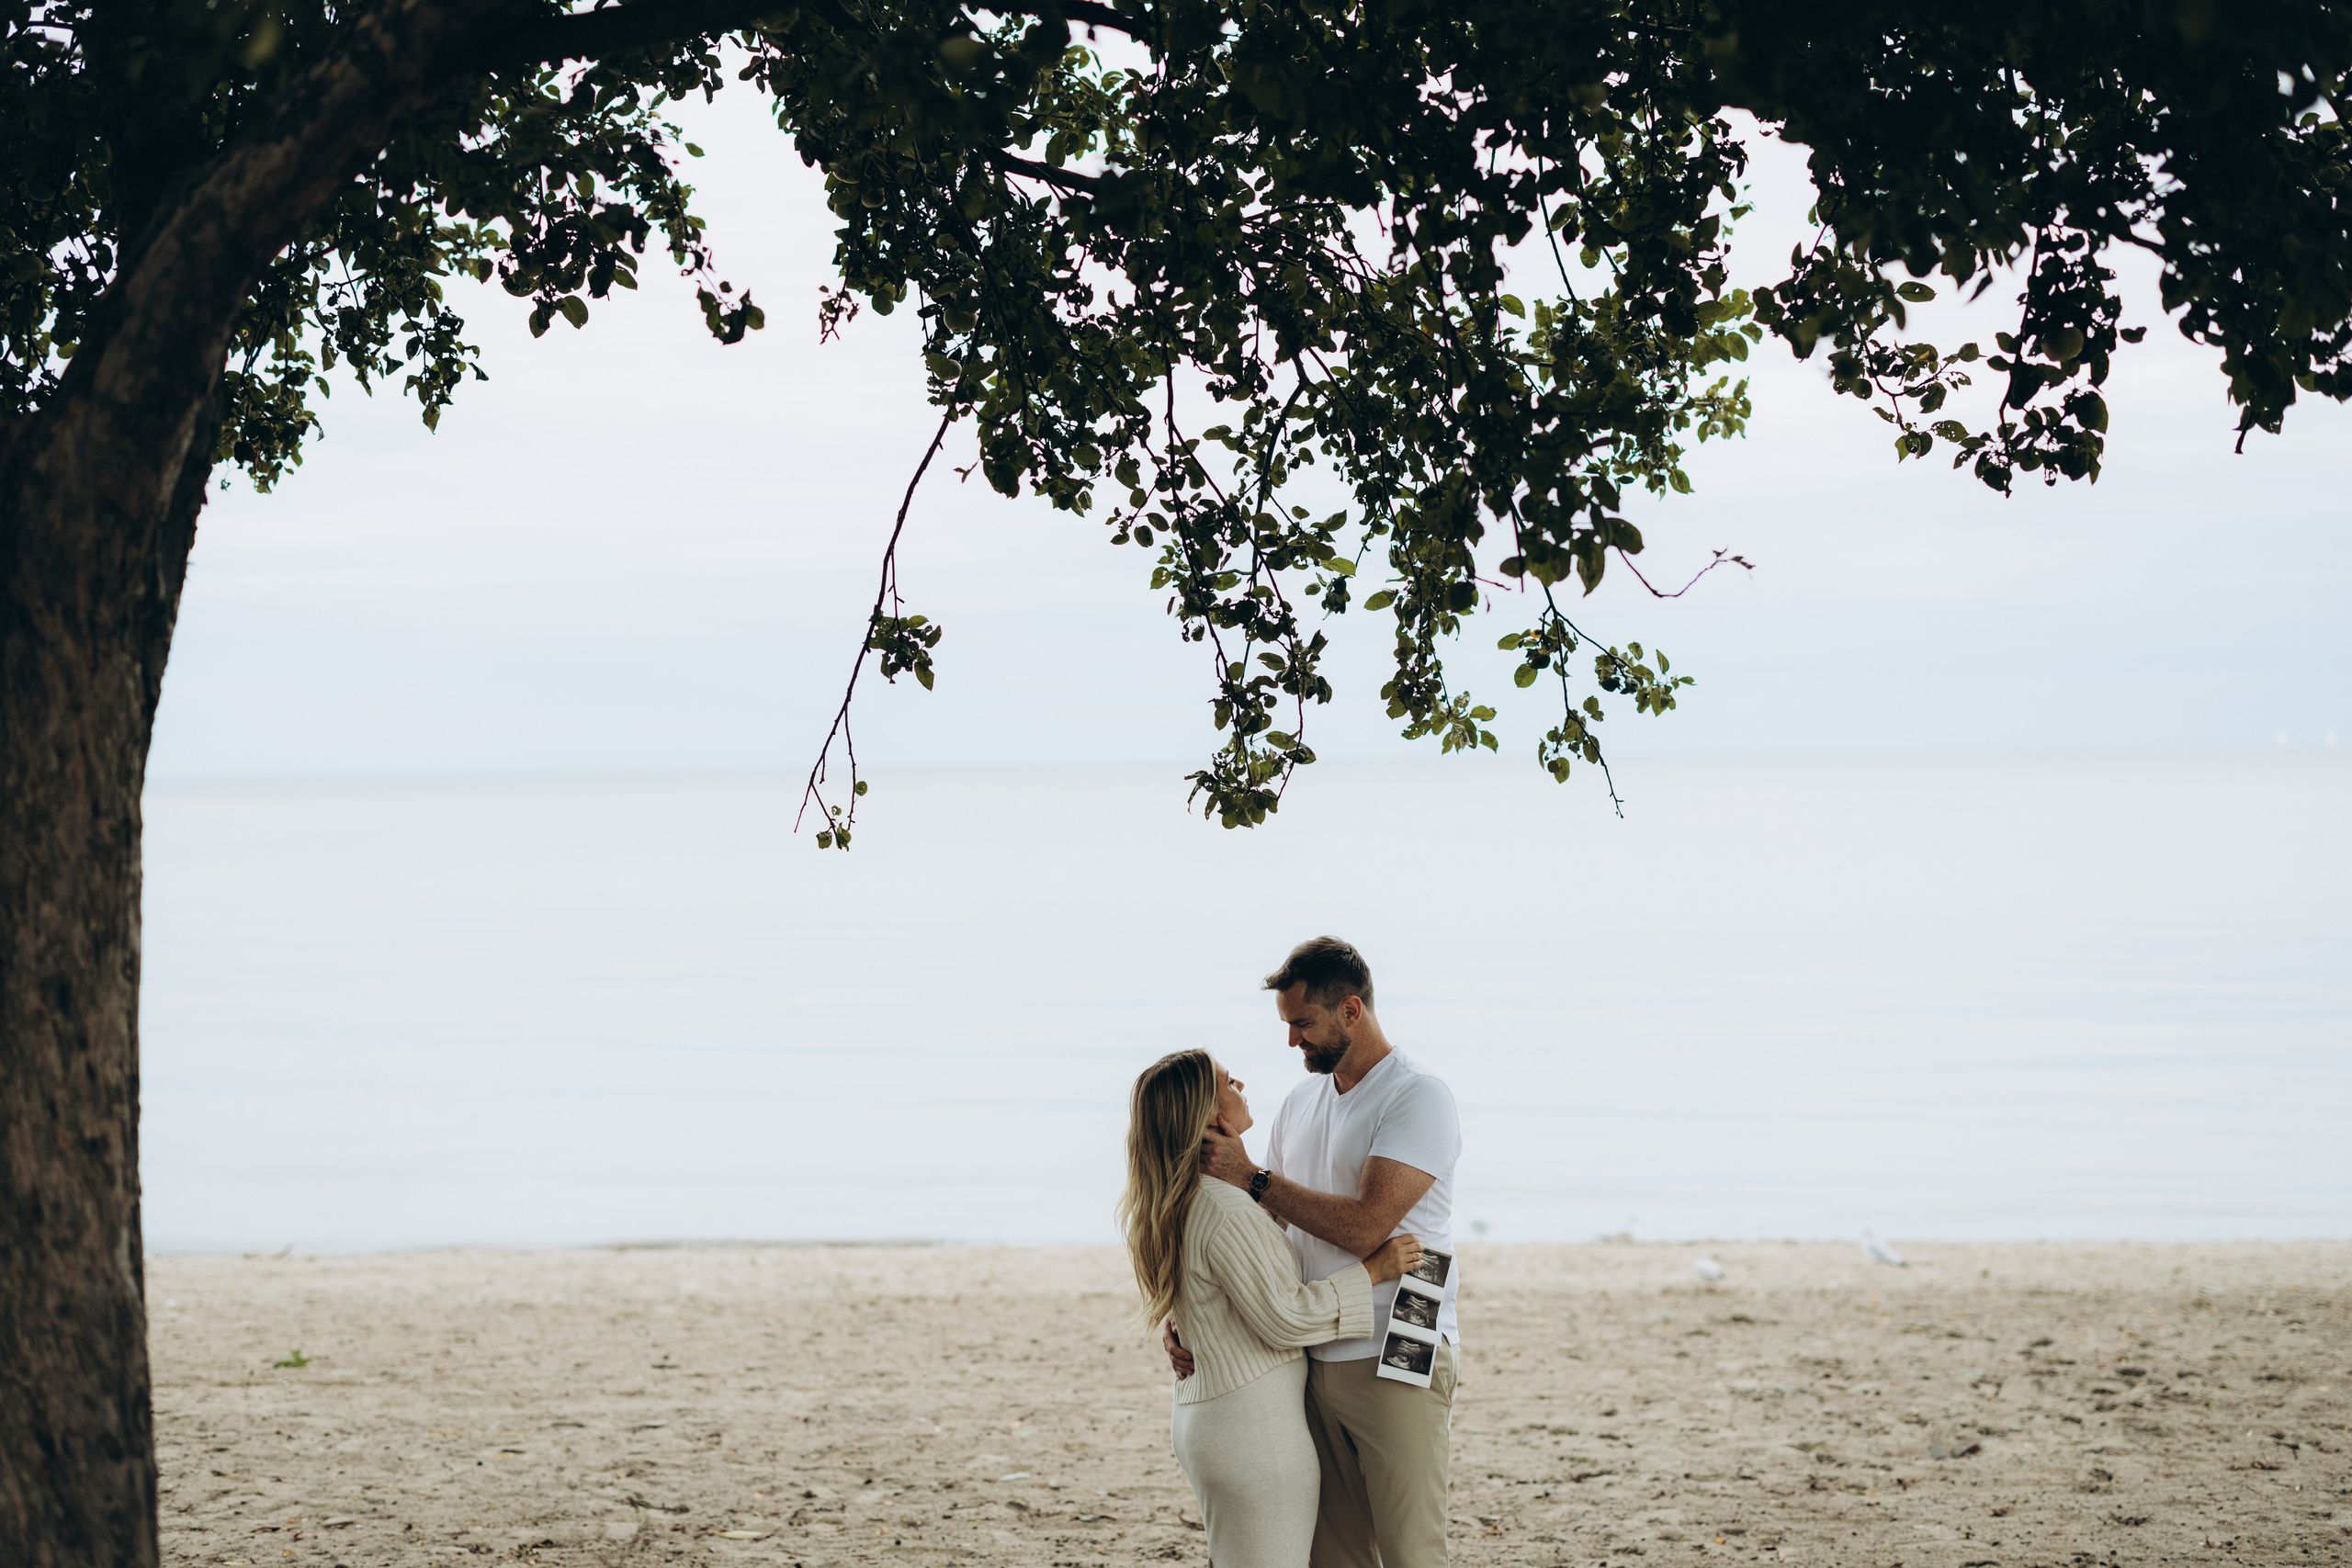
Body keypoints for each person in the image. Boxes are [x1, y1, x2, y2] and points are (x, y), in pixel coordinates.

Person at [1182, 937, 1463, 1568]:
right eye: (1286, 1025)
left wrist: (1252, 1176)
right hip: (1313, 1348)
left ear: (1352, 1011)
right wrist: (1193, 1317)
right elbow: (1264, 1230)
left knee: (1410, 1548)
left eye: (1303, 1024)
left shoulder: (1418, 1096)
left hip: (1406, 1331)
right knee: (1332, 1553)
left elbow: (1367, 1226)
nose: (1292, 1042)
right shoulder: (1299, 1103)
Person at [1119, 1049, 1424, 1568]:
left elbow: (1221, 1285)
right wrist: (1374, 1270)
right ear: (1209, 1114)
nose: (1239, 1081)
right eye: (1225, 1081)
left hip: (1218, 1415)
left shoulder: (1185, 1197)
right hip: (1250, 1431)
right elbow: (1288, 1317)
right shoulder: (1222, 1206)